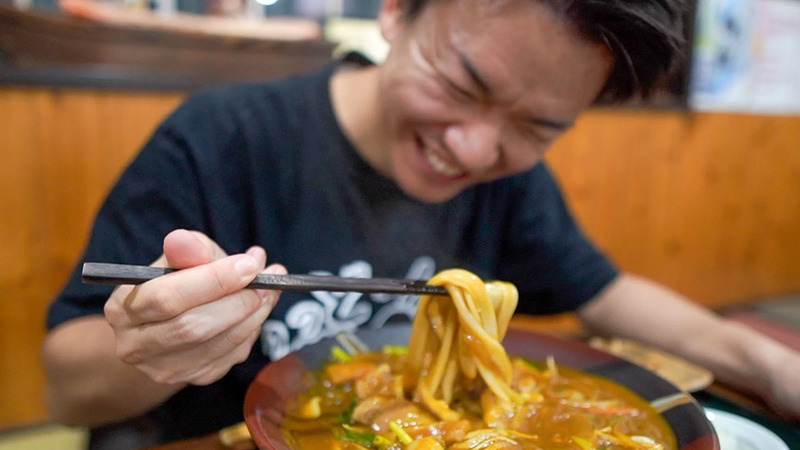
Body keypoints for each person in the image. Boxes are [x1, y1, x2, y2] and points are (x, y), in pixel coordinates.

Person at [43, 0, 800, 446]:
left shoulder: (512, 182)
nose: (473, 149)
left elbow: (605, 293)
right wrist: (156, 342)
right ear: (396, 12)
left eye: (535, 126)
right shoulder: (219, 140)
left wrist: (771, 367)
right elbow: (66, 389)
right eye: (462, 84)